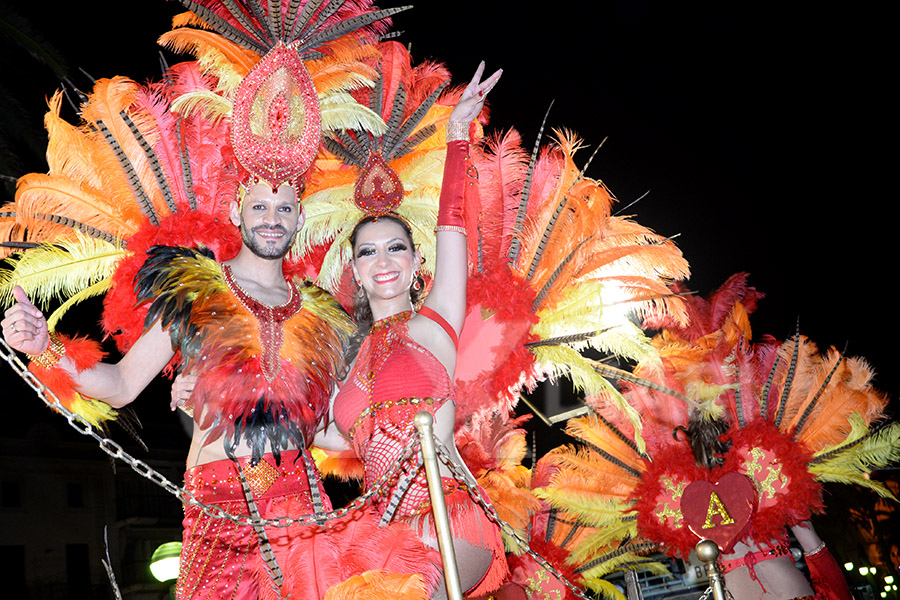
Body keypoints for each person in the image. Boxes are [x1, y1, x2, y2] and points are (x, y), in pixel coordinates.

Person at [2, 178, 361, 598]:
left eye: (284, 209)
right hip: (219, 503)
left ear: (300, 218)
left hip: (301, 503)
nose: (271, 220)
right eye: (260, 207)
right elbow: (120, 384)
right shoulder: (195, 292)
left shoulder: (322, 316)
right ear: (235, 212)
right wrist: (46, 350)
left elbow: (331, 426)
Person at [314, 61, 508, 599]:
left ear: (416, 258)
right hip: (381, 529)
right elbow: (320, 430)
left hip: (445, 514)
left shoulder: (434, 325)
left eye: (396, 247)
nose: (383, 261)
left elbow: (454, 225)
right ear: (352, 269)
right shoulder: (350, 367)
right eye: (368, 251)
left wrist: (456, 137)